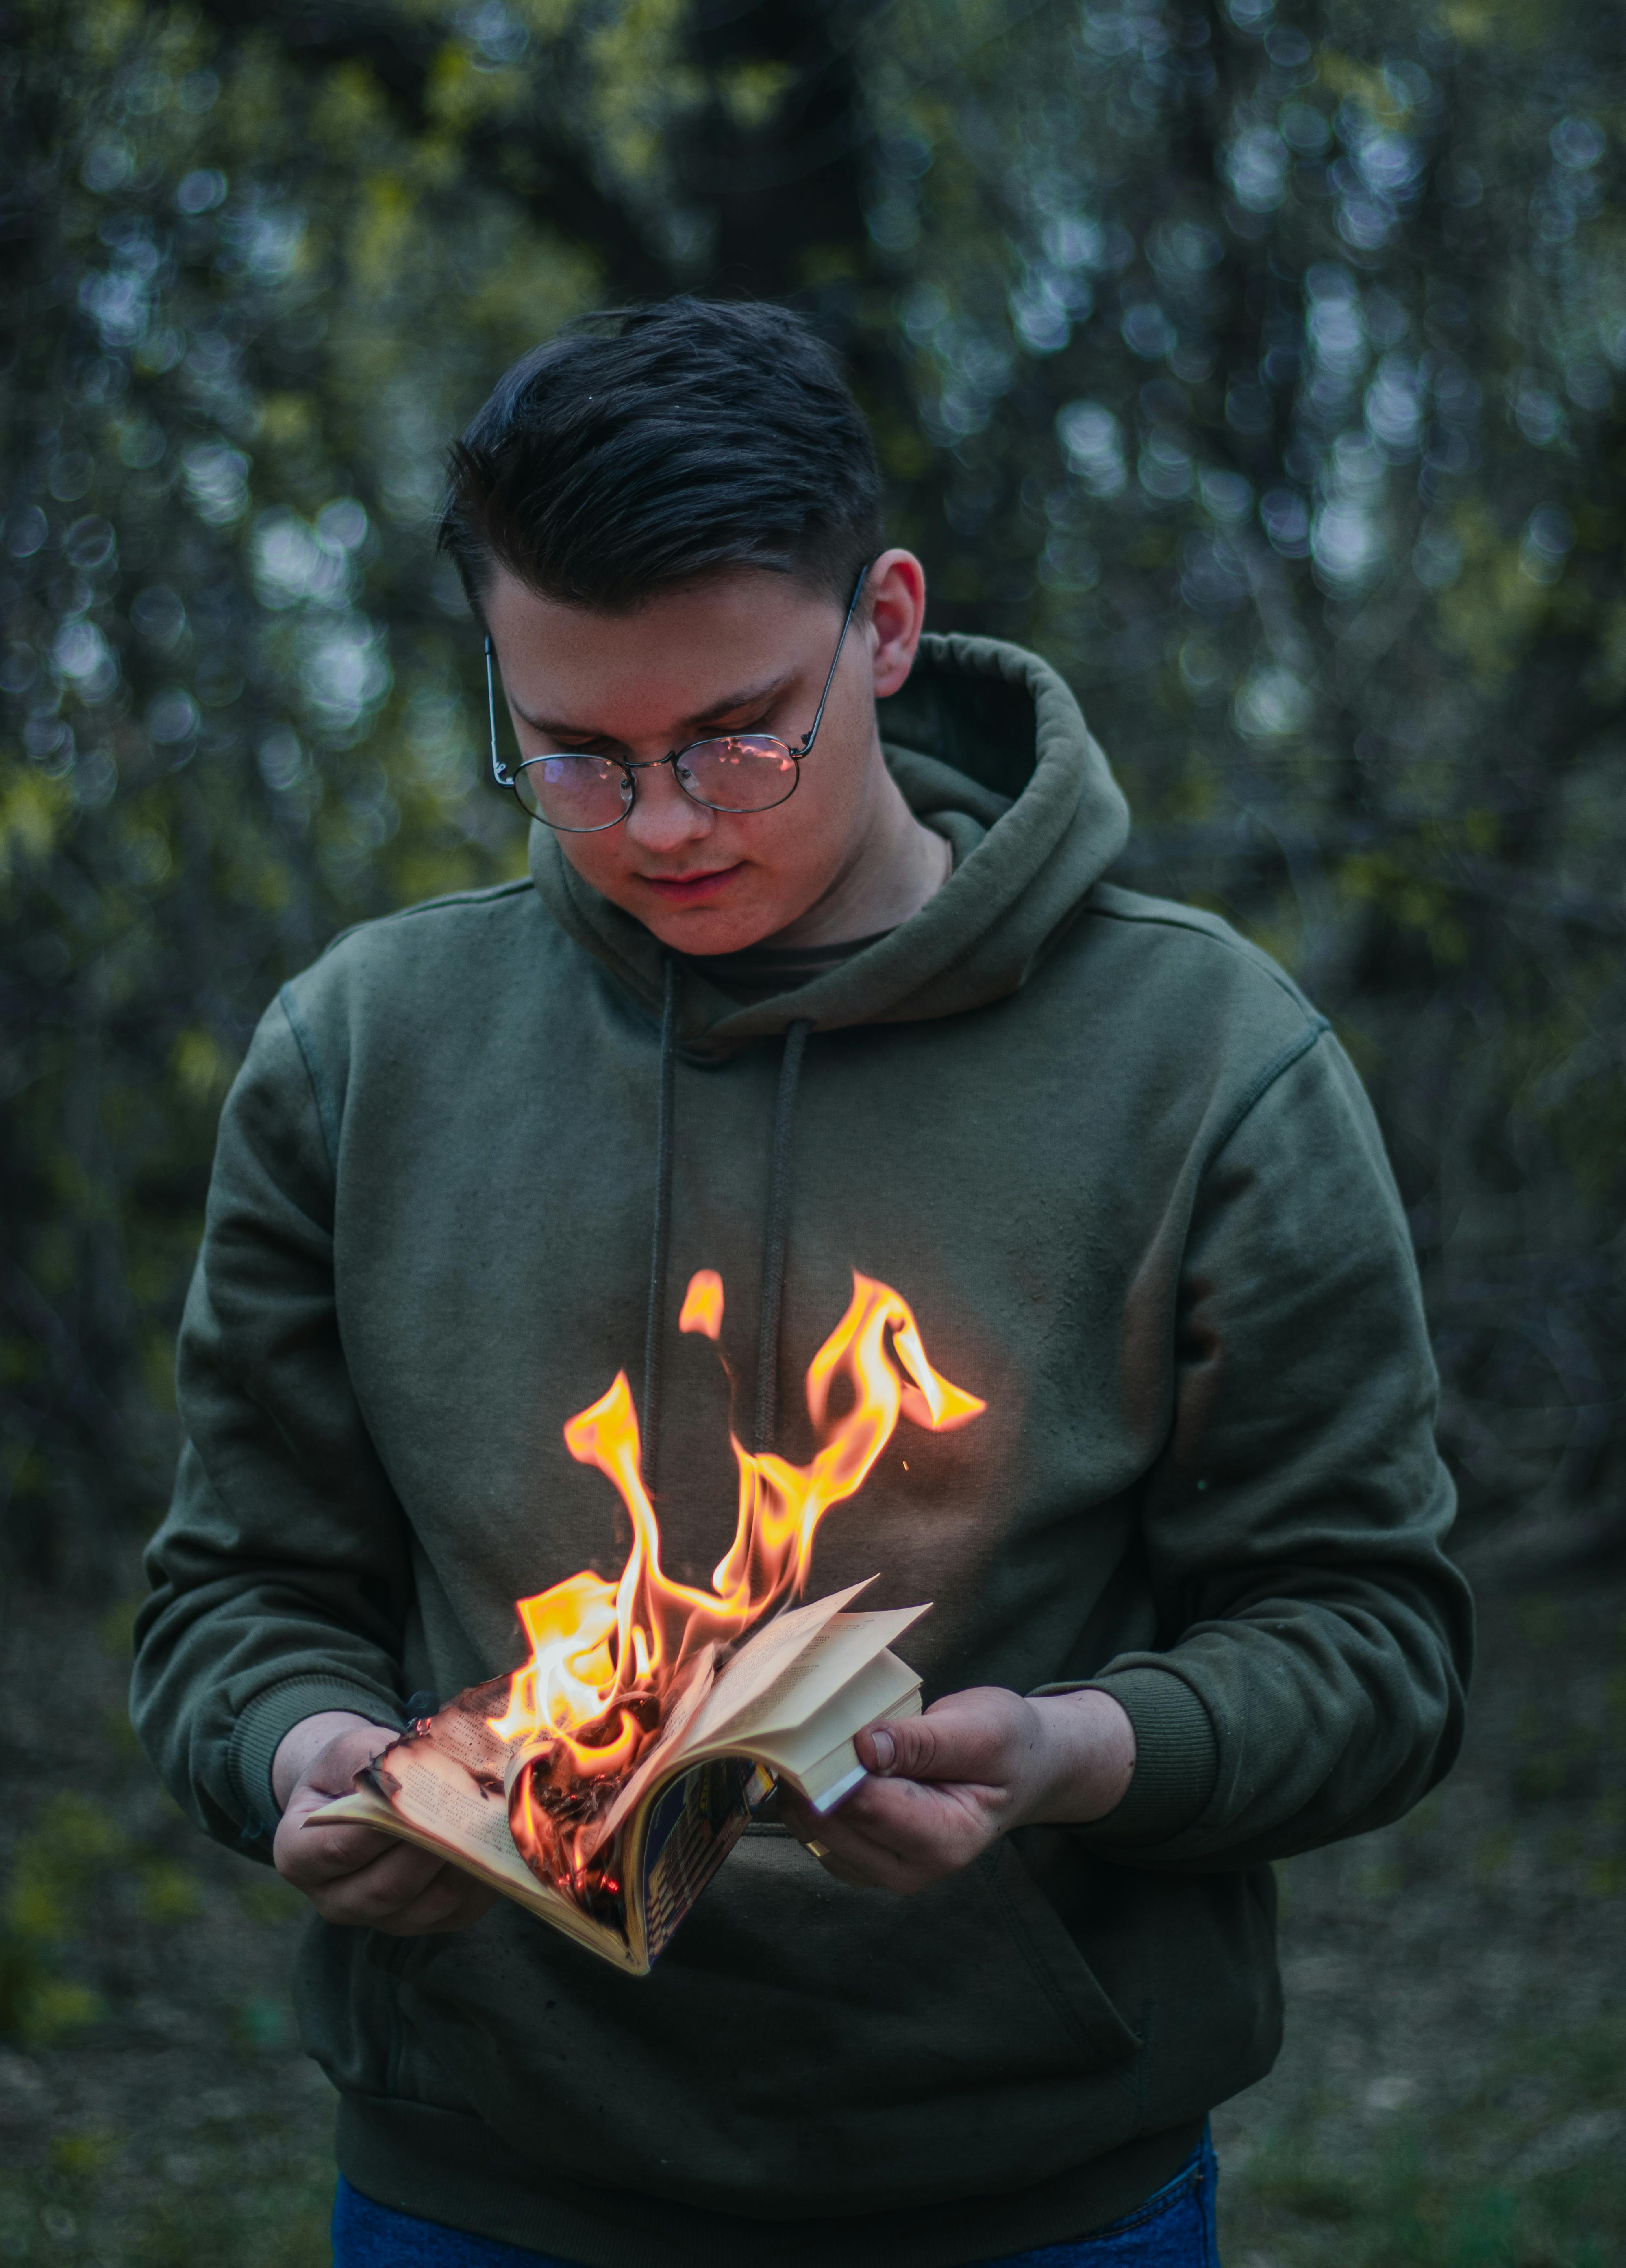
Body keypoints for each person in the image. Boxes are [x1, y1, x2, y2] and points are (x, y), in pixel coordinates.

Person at [131, 296, 1472, 2268]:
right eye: (572, 758)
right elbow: (235, 1597)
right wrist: (309, 1765)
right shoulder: (363, 1055)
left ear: (892, 628)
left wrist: (1069, 1756)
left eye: (736, 737)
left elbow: (1375, 1641)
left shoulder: (1201, 1059)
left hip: (1027, 2195)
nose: (661, 826)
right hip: (482, 2184)